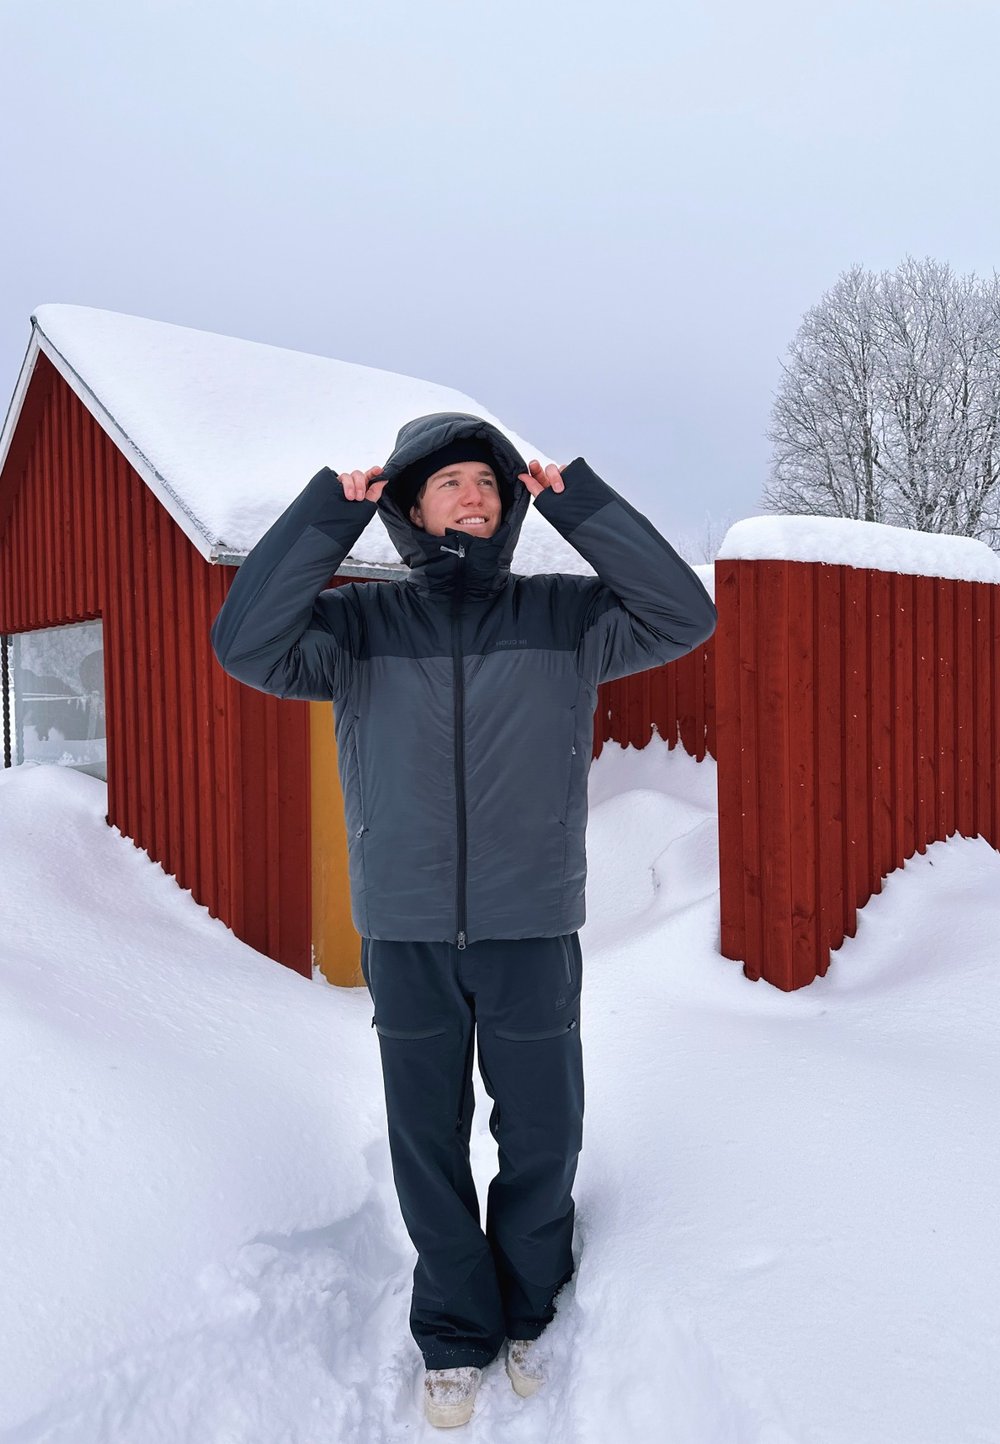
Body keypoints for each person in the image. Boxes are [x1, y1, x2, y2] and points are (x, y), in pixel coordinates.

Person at [210, 411, 717, 1428]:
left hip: (529, 925)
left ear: (509, 502)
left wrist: (579, 502)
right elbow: (243, 642)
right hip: (403, 930)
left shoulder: (564, 618)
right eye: (446, 484)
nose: (471, 494)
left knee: (542, 1129)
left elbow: (682, 614)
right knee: (425, 1138)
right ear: (406, 507)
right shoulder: (357, 629)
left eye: (485, 482)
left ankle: (531, 1306)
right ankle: (454, 1326)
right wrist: (322, 514)